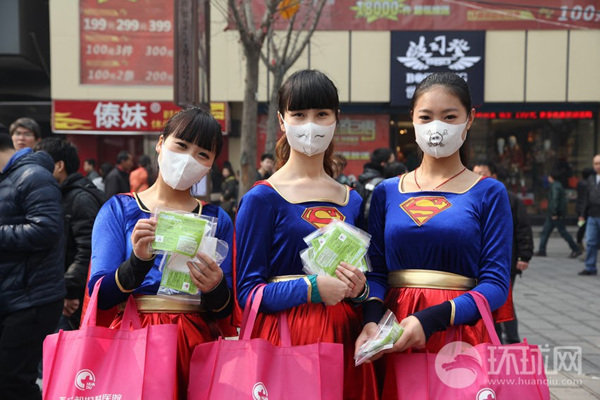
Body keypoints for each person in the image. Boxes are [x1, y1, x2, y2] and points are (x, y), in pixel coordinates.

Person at [355, 73, 512, 398]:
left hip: (460, 332)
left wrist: (432, 319)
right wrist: (371, 321)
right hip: (395, 334)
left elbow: (497, 284)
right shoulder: (387, 192)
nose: (436, 127)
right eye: (426, 117)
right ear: (412, 119)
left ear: (469, 119)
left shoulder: (489, 192)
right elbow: (376, 272)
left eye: (449, 116)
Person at [235, 69, 378, 400]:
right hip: (283, 339)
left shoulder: (351, 200)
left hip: (343, 337)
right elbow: (247, 294)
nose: (310, 125)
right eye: (299, 114)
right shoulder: (262, 198)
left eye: (321, 114)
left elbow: (365, 280)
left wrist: (359, 290)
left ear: (336, 119)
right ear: (282, 121)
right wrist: (309, 288)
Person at [88, 108, 236, 399]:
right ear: (160, 143)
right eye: (181, 145)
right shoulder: (119, 209)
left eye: (202, 154)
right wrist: (137, 263)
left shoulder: (217, 219)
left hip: (196, 345)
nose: (189, 159)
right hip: (133, 340)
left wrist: (215, 286)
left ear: (210, 165)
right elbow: (99, 296)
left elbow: (226, 310)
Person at [0, 133, 65, 400]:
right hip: (12, 294)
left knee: (12, 382)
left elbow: (47, 229)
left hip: (31, 297)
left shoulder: (33, 176)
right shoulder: (8, 178)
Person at [34, 138, 107, 329]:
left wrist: (71, 291)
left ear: (59, 166)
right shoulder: (60, 193)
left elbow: (88, 250)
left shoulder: (80, 198)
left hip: (75, 295)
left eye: (41, 163)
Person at [473, 161, 533, 344]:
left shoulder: (509, 198)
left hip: (505, 261)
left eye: (483, 173)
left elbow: (523, 228)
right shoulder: (471, 196)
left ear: (494, 176)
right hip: (479, 262)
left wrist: (524, 256)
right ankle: (495, 339)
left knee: (504, 301)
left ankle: (513, 340)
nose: (478, 177)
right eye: (475, 174)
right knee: (487, 302)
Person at [536, 169, 581, 258]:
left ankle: (576, 249)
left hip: (555, 215)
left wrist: (554, 212)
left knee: (562, 232)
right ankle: (542, 250)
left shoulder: (555, 187)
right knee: (546, 232)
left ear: (551, 177)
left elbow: (555, 200)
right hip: (554, 214)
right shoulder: (557, 185)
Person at [578, 154, 600, 276]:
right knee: (590, 241)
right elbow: (586, 198)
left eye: (599, 163)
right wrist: (582, 214)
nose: (597, 166)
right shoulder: (591, 179)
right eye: (595, 163)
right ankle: (590, 266)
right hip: (592, 214)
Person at [576, 167, 595, 251]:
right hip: (586, 209)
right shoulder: (588, 184)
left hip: (580, 209)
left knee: (581, 226)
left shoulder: (580, 183)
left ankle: (579, 242)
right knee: (585, 226)